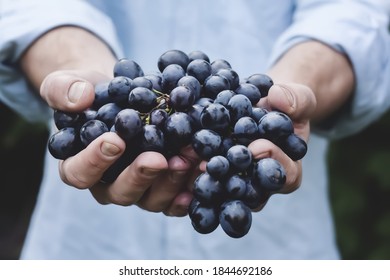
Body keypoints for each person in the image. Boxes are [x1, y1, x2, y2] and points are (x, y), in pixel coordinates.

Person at [0, 0, 389, 260]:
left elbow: (356, 12)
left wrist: (291, 88)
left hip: (277, 246)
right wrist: (79, 74)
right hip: (87, 246)